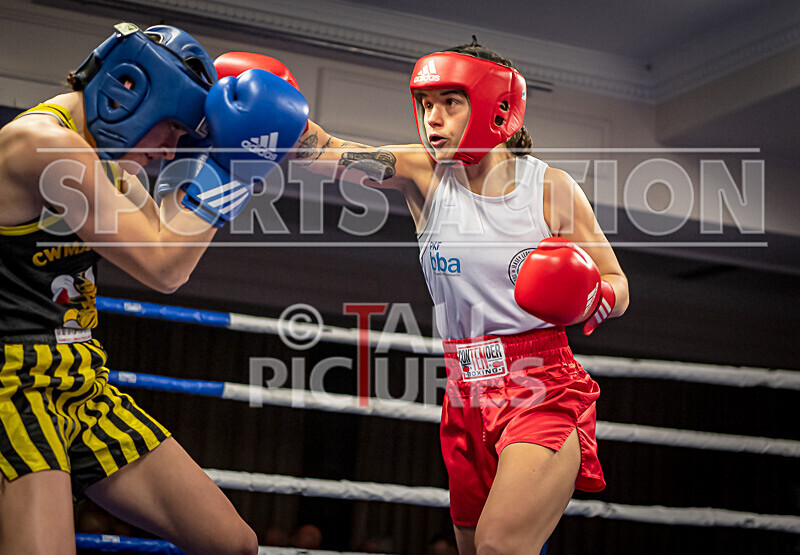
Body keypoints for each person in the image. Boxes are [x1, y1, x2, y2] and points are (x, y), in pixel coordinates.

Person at [216, 36, 628, 554]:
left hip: (541, 386)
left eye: (450, 103)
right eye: (426, 104)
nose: (433, 118)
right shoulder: (421, 172)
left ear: (497, 107)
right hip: (464, 390)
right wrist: (270, 106)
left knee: (501, 545)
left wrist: (588, 296)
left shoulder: (550, 189)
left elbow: (618, 283)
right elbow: (324, 154)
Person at [0, 22, 307, 554]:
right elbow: (163, 266)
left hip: (79, 380)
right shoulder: (44, 147)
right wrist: (233, 167)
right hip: (10, 385)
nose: (170, 150)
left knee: (232, 543)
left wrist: (215, 157)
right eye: (171, 131)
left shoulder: (107, 159)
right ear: (131, 93)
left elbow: (168, 241)